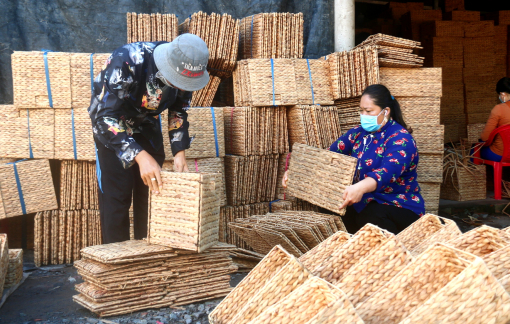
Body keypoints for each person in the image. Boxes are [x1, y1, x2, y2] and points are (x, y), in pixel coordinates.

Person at [89, 34, 210, 244]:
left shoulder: (188, 73)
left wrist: (179, 154)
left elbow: (179, 111)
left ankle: (147, 257)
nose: (182, 87)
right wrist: (140, 156)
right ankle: (117, 264)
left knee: (153, 195)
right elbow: (105, 117)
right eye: (178, 81)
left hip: (146, 122)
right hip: (111, 124)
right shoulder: (127, 60)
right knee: (117, 198)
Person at [283, 84, 424, 234]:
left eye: (369, 111)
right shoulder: (358, 133)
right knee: (331, 207)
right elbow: (327, 156)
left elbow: (386, 172)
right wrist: (297, 171)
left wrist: (359, 188)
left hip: (398, 205)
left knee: (370, 217)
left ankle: (391, 251)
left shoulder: (401, 139)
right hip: (365, 202)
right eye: (361, 111)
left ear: (386, 111)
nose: (364, 115)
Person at [478, 77, 510, 162]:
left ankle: (493, 175)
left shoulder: (499, 109)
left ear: (502, 94)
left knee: (475, 150)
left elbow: (485, 138)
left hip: (500, 154)